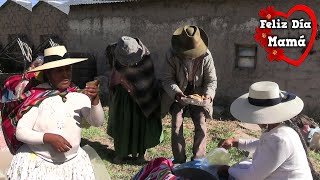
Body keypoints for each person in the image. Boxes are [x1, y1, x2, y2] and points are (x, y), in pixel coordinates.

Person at [6, 45, 104, 179]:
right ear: (48, 74)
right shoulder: (38, 98)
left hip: (72, 166)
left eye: (67, 69)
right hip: (39, 166)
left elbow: (97, 122)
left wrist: (95, 101)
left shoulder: (78, 97)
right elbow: (21, 132)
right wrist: (49, 138)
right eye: (59, 70)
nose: (65, 74)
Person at [218, 81, 318, 180]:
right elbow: (264, 144)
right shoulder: (282, 130)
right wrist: (237, 142)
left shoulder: (279, 138)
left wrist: (228, 169)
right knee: (243, 165)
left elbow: (252, 176)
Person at [160, 25, 217, 163]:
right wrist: (177, 94)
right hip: (178, 92)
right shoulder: (171, 54)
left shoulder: (206, 56)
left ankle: (198, 159)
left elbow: (211, 80)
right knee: (176, 125)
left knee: (201, 124)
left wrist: (208, 96)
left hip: (199, 94)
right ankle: (179, 160)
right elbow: (167, 79)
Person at [107, 36, 162, 163]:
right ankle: (120, 153)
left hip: (141, 99)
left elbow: (148, 81)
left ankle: (140, 155)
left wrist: (135, 88)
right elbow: (115, 72)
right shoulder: (118, 51)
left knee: (140, 124)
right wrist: (119, 81)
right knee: (122, 123)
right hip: (122, 97)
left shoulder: (145, 58)